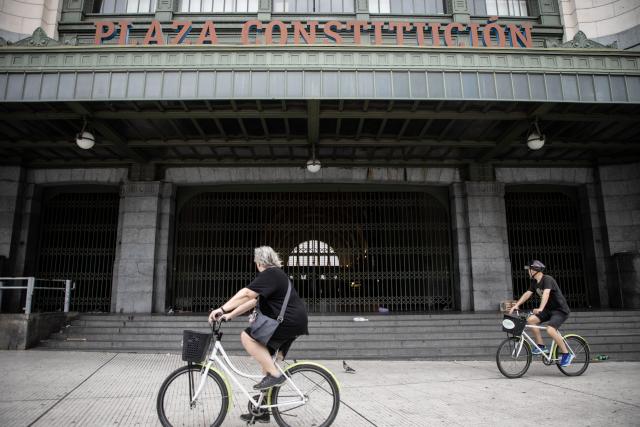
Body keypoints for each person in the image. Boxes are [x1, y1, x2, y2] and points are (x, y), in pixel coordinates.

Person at [208, 246, 308, 423]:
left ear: (260, 262)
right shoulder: (276, 276)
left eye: (256, 262)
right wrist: (229, 315)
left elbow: (246, 293)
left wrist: (221, 308)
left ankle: (276, 377)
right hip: (294, 322)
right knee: (267, 367)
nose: (256, 265)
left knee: (246, 337)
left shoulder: (271, 274)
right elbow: (253, 301)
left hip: (287, 322)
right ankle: (263, 410)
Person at [509, 260, 574, 367]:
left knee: (550, 329)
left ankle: (567, 354)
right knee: (530, 320)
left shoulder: (547, 279)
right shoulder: (534, 282)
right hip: (548, 310)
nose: (528, 272)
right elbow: (527, 294)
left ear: (535, 270)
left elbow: (546, 294)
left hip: (560, 310)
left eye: (529, 270)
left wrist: (540, 308)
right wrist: (517, 305)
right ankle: (541, 346)